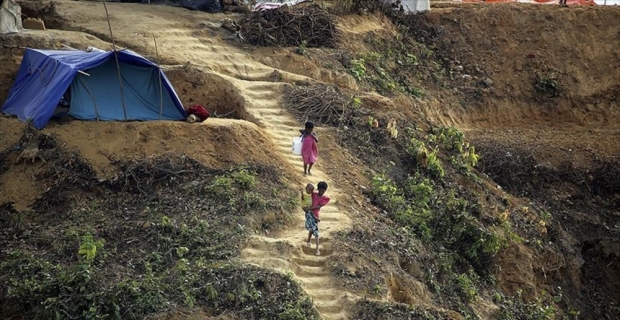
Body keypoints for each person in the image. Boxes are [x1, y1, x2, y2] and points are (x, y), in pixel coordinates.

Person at [303, 181, 330, 256]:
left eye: (323, 190)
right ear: (317, 189)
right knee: (311, 229)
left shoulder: (325, 199)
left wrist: (310, 208)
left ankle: (317, 249)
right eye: (320, 190)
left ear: (325, 190)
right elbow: (306, 196)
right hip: (308, 214)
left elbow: (318, 206)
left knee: (316, 232)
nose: (321, 192)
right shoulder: (313, 194)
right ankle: (308, 242)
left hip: (315, 215)